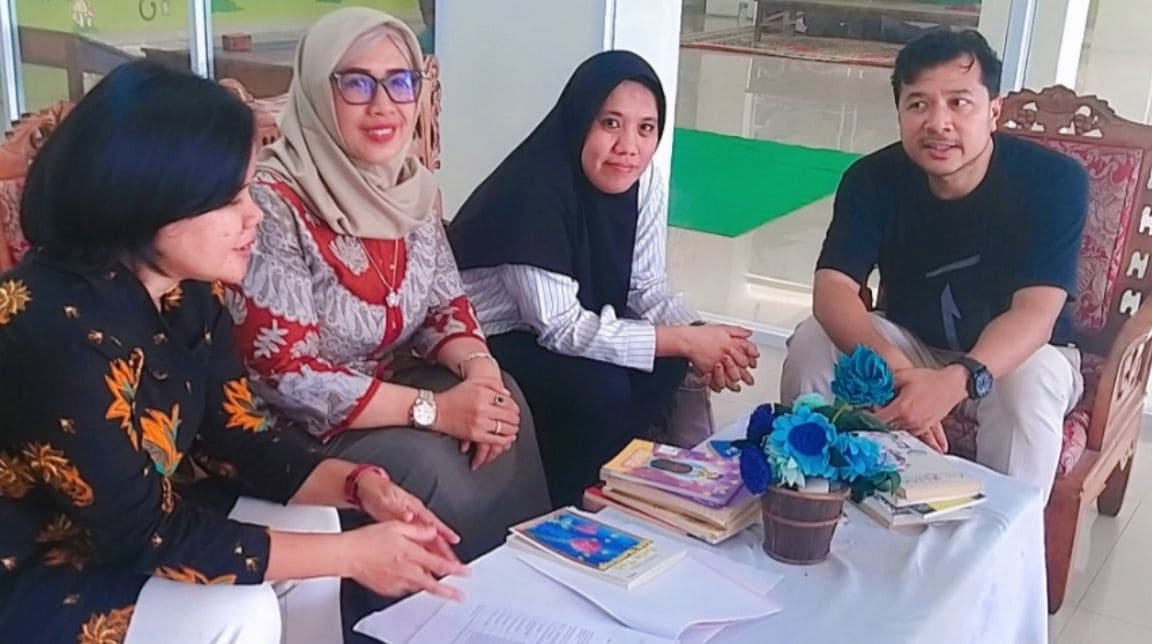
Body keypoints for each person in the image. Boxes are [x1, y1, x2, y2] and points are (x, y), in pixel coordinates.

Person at [0, 60, 466, 644]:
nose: (255, 214)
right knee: (237, 610)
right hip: (30, 564)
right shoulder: (51, 329)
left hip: (115, 534)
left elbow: (238, 440)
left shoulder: (186, 293)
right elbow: (139, 534)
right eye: (229, 199)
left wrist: (360, 484)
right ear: (148, 197)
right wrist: (353, 554)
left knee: (312, 520)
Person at [229, 8, 550, 563]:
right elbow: (288, 376)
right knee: (429, 469)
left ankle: (532, 580)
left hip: (389, 387)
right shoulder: (271, 206)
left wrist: (482, 374)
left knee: (506, 404)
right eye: (356, 83)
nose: (383, 105)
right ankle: (444, 604)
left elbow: (445, 304)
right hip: (294, 426)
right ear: (317, 89)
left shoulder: (408, 188)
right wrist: (435, 410)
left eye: (400, 82)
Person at [781, 30, 1088, 495]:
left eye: (959, 103)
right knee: (813, 340)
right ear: (900, 112)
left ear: (994, 110)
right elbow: (832, 291)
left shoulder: (1054, 181)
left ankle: (1008, 530)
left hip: (1017, 357)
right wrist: (900, 373)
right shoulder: (871, 179)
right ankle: (809, 501)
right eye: (918, 104)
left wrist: (956, 381)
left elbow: (1035, 315)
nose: (938, 123)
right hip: (912, 345)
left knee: (1028, 380)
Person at [448, 51, 760, 506]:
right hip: (487, 335)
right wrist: (686, 340)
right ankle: (562, 500)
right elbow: (560, 327)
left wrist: (707, 339)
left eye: (645, 128)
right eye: (610, 123)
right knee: (600, 387)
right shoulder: (533, 192)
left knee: (669, 360)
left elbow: (646, 286)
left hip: (557, 323)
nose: (628, 146)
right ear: (580, 120)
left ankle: (613, 477)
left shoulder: (642, 181)